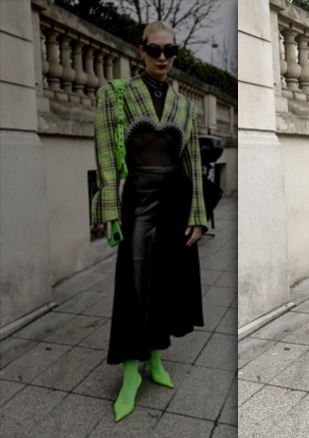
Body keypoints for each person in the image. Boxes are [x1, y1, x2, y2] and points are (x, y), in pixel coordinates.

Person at [92, 21, 207, 422]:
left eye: (169, 51)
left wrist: (198, 216)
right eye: (154, 50)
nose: (162, 58)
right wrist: (109, 211)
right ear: (140, 51)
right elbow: (107, 155)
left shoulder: (185, 105)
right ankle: (130, 374)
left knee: (167, 281)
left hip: (176, 199)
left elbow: (192, 160)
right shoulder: (115, 94)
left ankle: (156, 359)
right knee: (134, 282)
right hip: (138, 198)